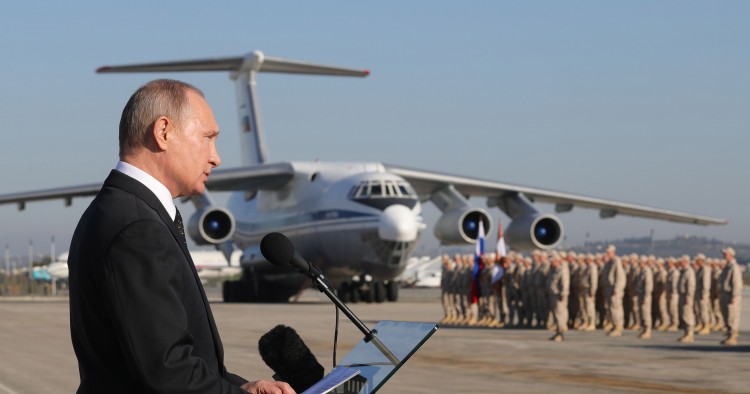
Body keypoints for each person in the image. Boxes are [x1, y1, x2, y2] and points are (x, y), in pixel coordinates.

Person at [68, 79, 294, 394]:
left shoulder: (121, 211)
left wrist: (244, 388)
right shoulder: (137, 228)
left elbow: (182, 364)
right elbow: (169, 373)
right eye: (208, 138)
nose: (216, 158)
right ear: (163, 132)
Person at [719, 247, 743, 346]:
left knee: (732, 317)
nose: (724, 256)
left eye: (726, 254)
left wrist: (734, 296)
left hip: (731, 295)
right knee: (726, 316)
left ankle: (733, 337)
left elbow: (736, 283)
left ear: (731, 255)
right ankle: (729, 336)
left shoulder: (734, 267)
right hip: (725, 294)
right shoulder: (727, 267)